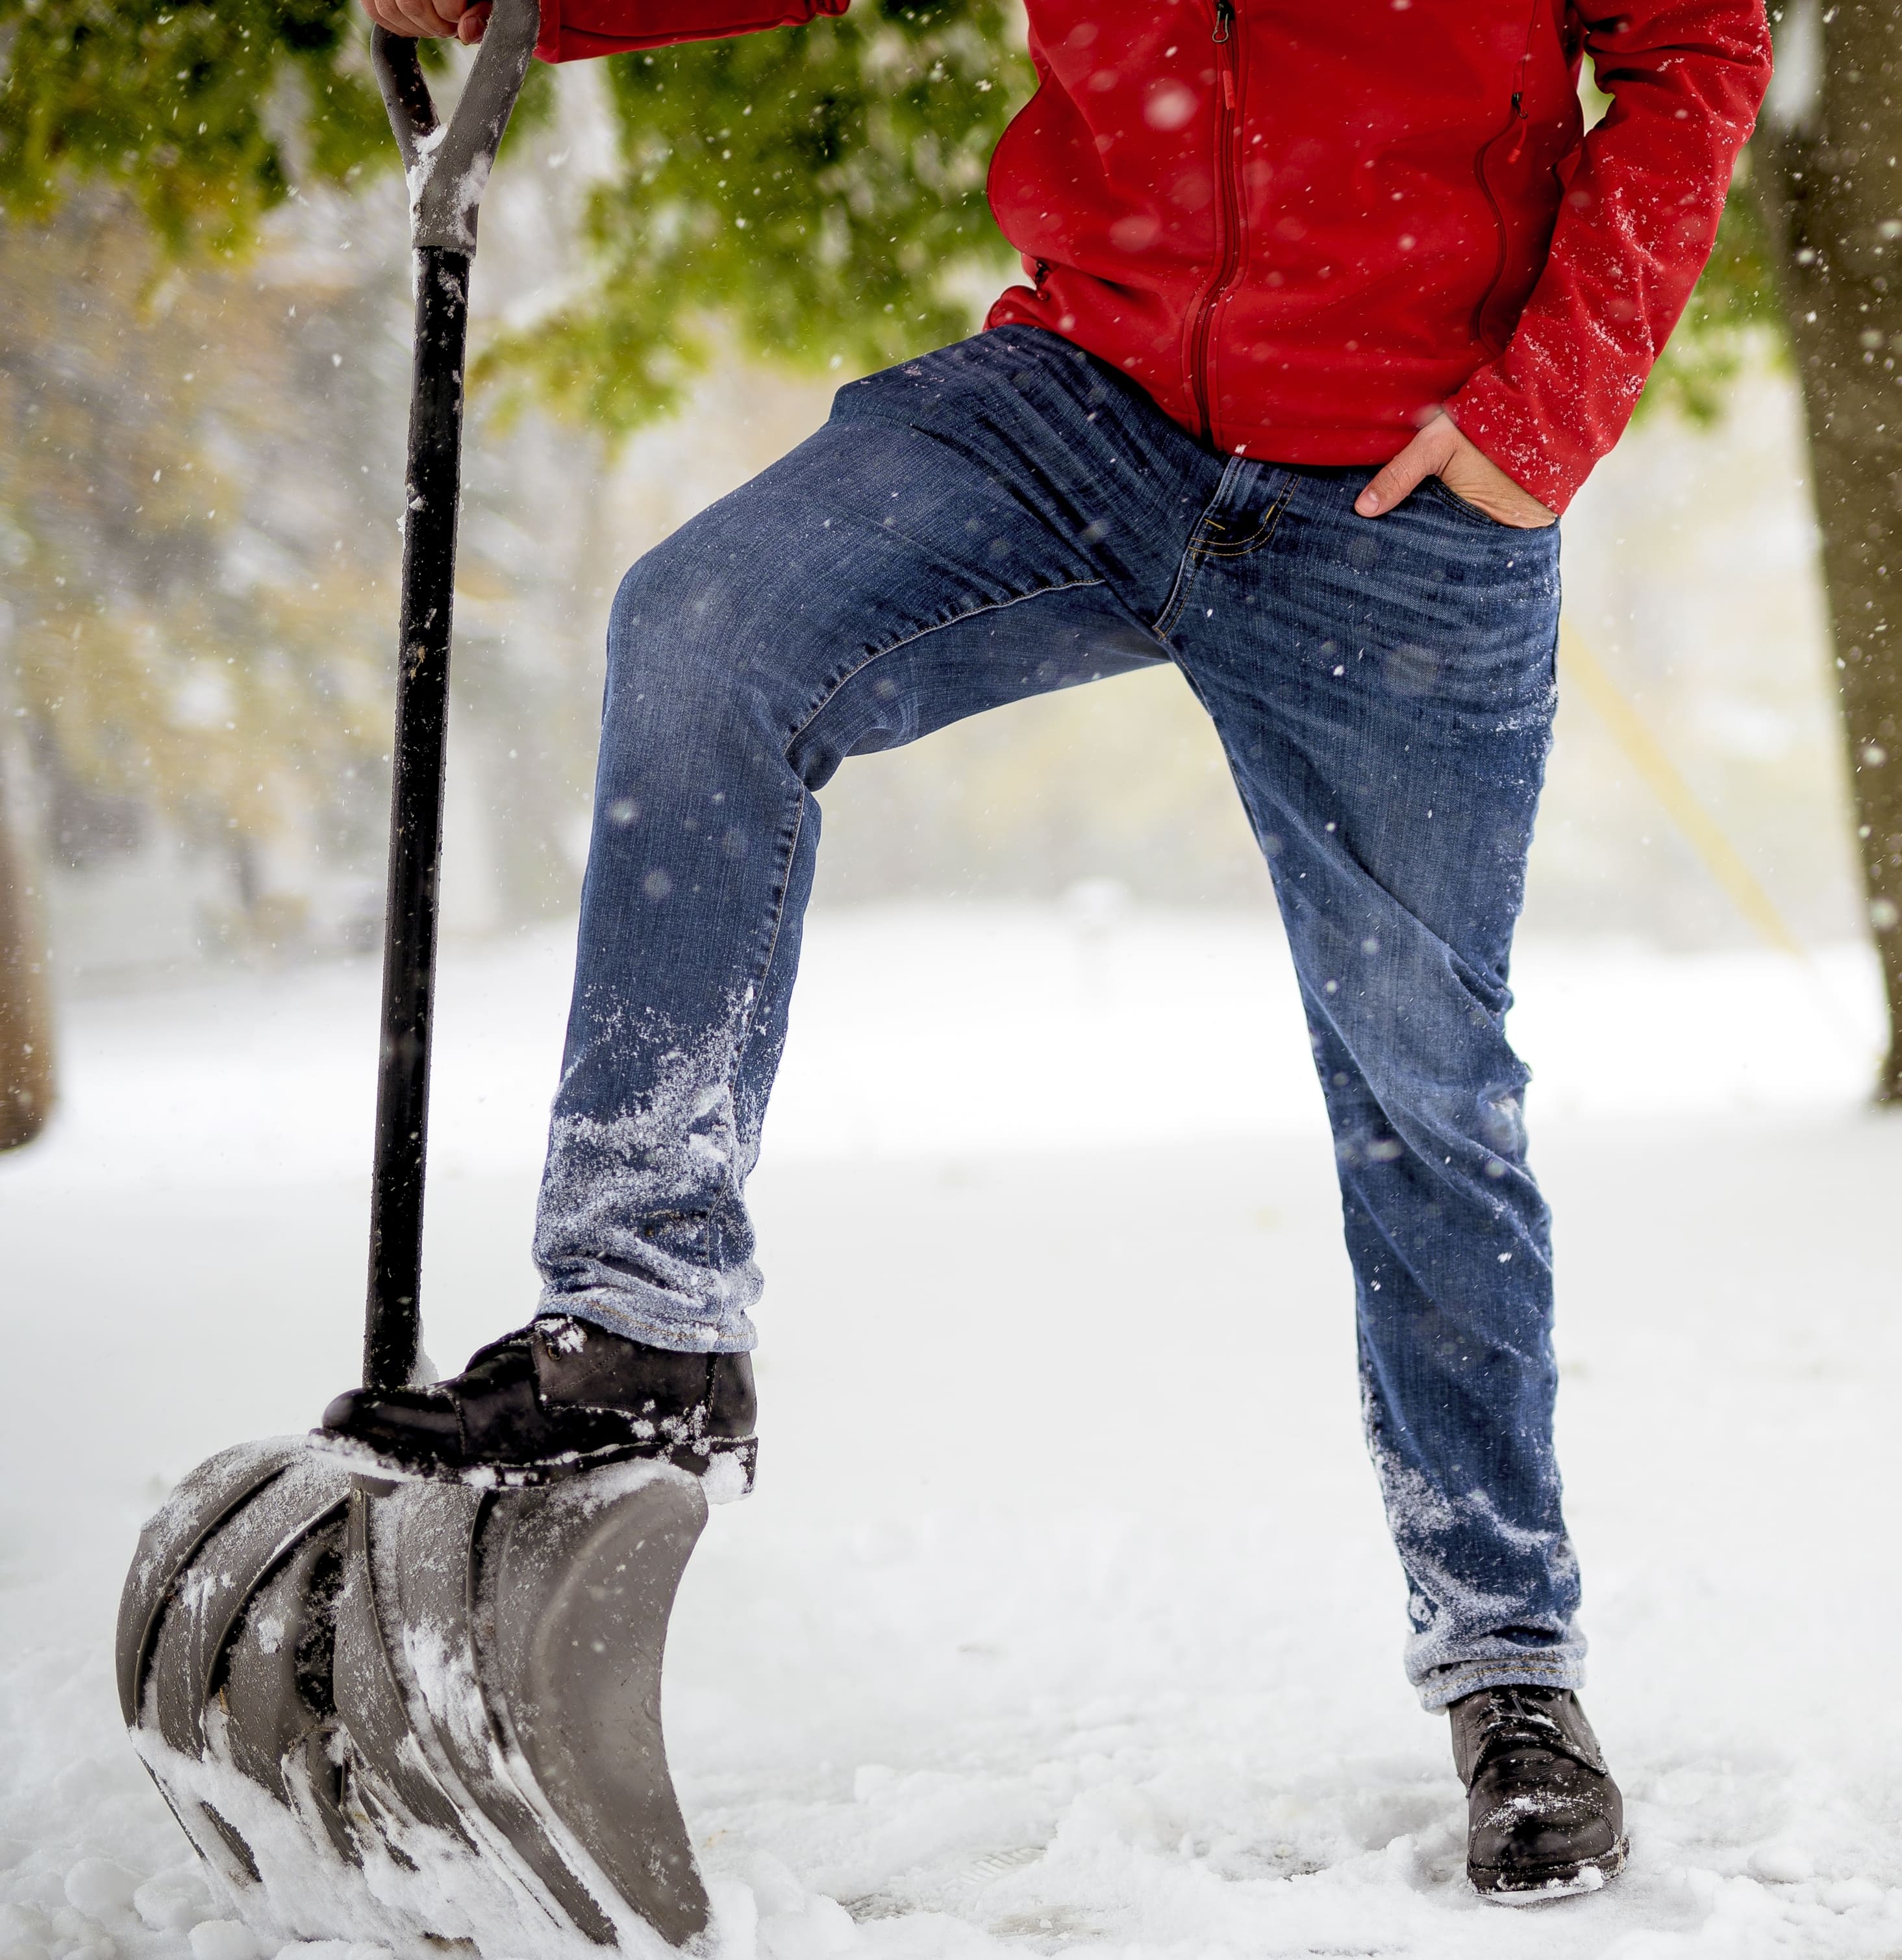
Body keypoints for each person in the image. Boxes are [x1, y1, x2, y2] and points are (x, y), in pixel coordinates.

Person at [325, 0, 1769, 1904]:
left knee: (1425, 1081)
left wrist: (1542, 417)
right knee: (708, 634)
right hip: (1087, 412)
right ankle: (650, 1320)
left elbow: (1699, 43)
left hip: (1403, 491)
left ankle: (1511, 1668)